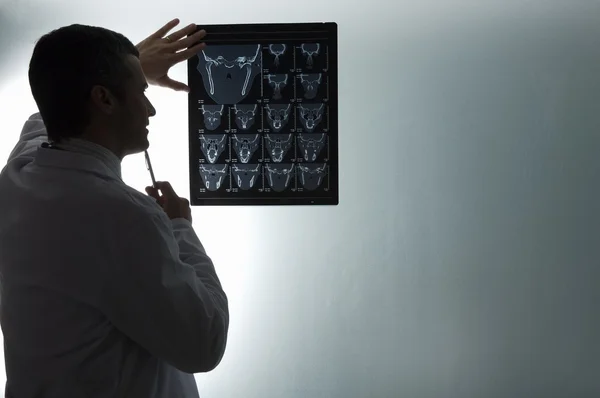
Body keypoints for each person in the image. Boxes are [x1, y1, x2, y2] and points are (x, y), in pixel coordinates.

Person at [0, 18, 229, 398]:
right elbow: (205, 342)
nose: (151, 108)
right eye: (141, 90)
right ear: (103, 98)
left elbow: (44, 116)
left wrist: (129, 62)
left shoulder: (18, 175)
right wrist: (181, 227)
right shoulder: (125, 218)